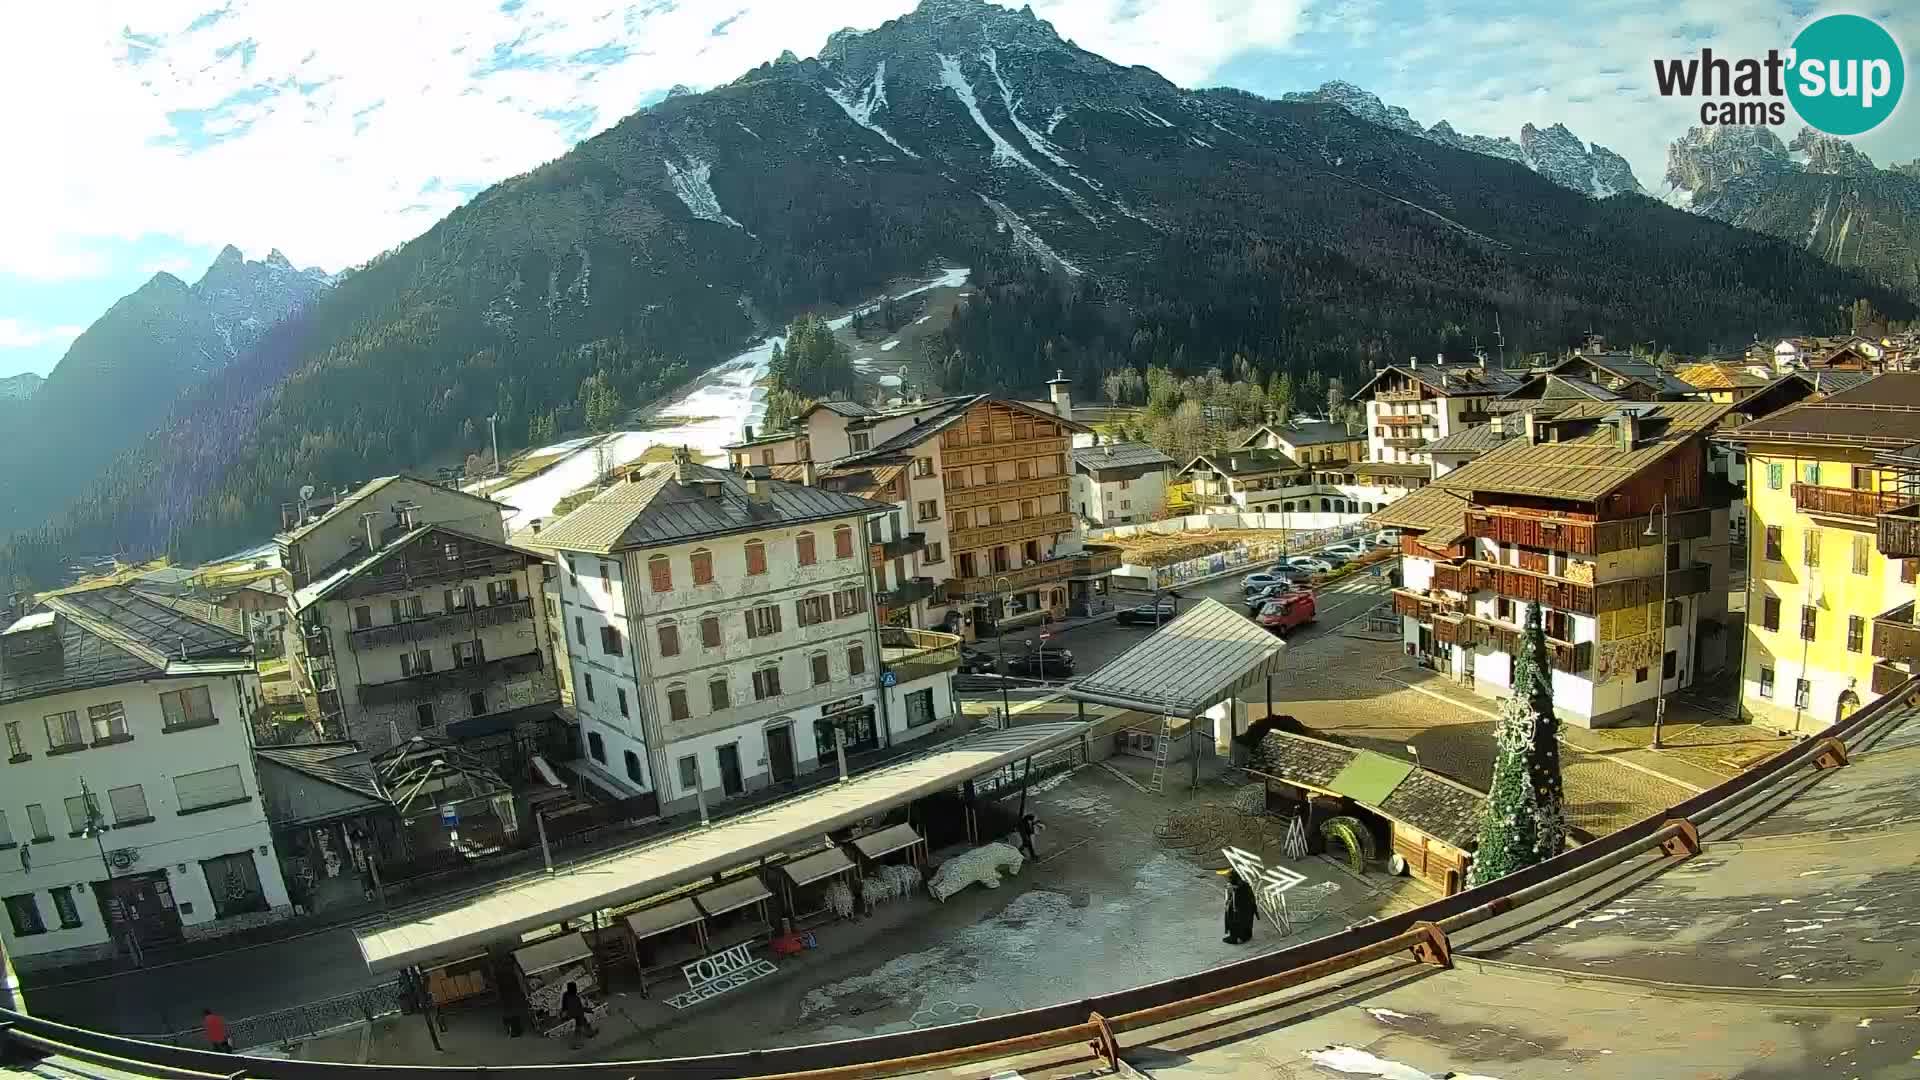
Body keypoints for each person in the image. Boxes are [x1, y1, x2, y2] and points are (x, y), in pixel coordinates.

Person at [1222, 870, 1257, 945]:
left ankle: (1238, 938)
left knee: (1236, 919)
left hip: (1239, 910)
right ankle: (1246, 936)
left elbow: (1234, 905)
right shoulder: (1245, 886)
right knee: (1245, 919)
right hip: (1247, 909)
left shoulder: (1237, 889)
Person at [560, 981, 595, 1047]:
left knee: (584, 1022)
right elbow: (579, 1008)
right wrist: (589, 1010)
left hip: (571, 1013)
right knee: (579, 1027)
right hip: (576, 1014)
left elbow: (564, 1005)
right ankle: (576, 1043)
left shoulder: (566, 995)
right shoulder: (575, 997)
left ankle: (590, 1033)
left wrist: (563, 1012)